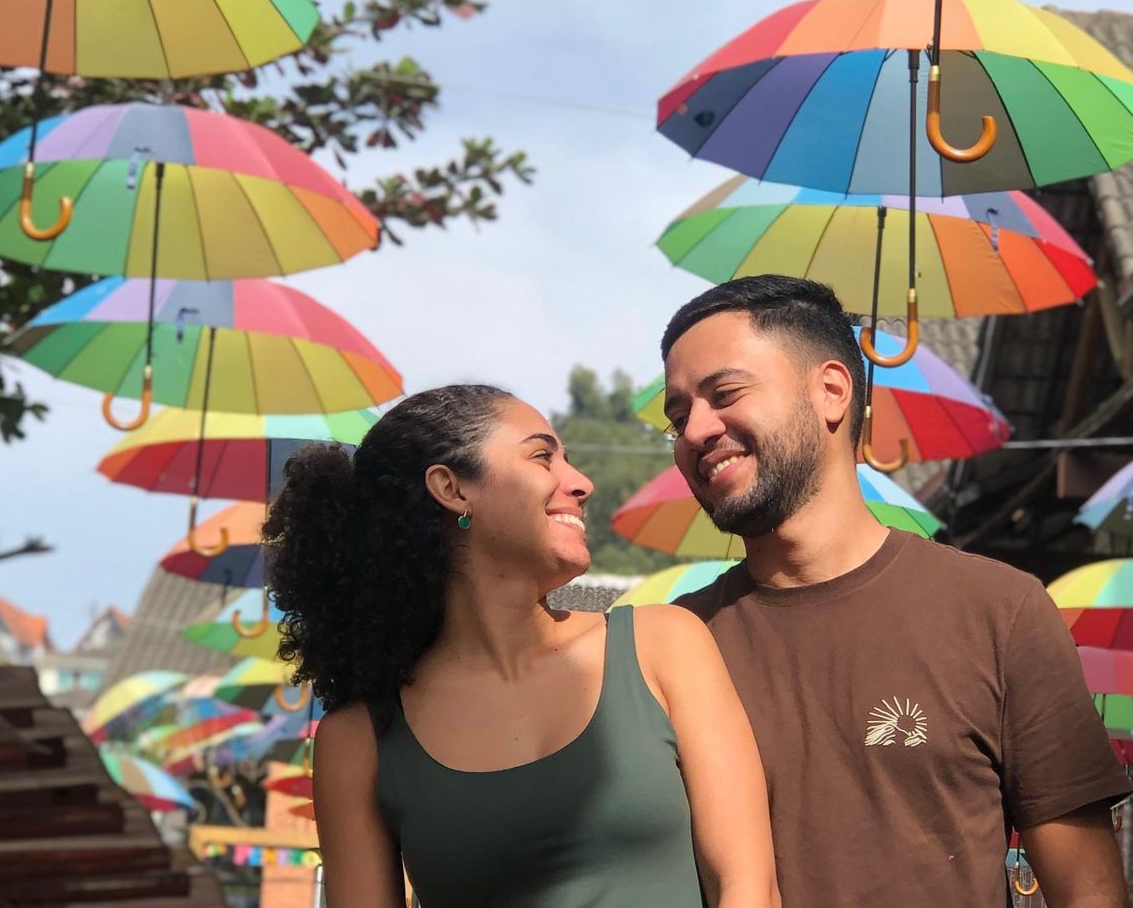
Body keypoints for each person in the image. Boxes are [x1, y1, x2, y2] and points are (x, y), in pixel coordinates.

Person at [660, 276, 1133, 907]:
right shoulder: (671, 650)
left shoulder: (998, 612)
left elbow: (1090, 895)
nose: (694, 431)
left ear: (831, 391)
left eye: (725, 394)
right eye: (677, 418)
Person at [263, 384, 779, 908]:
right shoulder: (359, 740)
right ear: (451, 488)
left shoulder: (663, 644)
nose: (581, 484)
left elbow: (748, 888)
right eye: (541, 457)